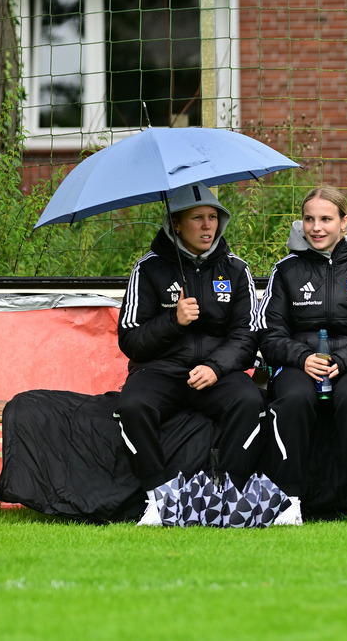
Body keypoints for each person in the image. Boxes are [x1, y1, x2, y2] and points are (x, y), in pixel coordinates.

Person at [115, 182, 265, 527]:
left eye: (214, 217)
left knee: (250, 402)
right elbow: (131, 340)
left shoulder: (236, 269)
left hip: (217, 374)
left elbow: (248, 335)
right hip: (160, 371)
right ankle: (160, 499)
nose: (208, 226)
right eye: (198, 218)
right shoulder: (148, 269)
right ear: (176, 224)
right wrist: (174, 320)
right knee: (131, 407)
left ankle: (228, 495)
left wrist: (215, 367)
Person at [258, 186, 347, 526]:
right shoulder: (285, 270)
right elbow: (268, 332)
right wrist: (303, 357)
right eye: (309, 219)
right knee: (292, 398)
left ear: (344, 222)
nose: (316, 227)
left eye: (325, 219)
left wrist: (345, 359)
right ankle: (288, 500)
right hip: (297, 365)